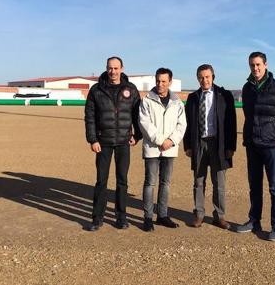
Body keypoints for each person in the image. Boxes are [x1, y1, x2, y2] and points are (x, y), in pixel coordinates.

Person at [236, 51, 275, 242]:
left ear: (266, 65)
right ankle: (254, 220)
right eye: (252, 65)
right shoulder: (247, 88)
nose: (255, 68)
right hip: (252, 145)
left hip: (272, 146)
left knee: (274, 187)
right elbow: (248, 115)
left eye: (258, 65)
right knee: (254, 186)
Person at [84, 56, 142, 231]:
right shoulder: (96, 90)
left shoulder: (131, 89)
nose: (113, 72)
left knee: (122, 181)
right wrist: (93, 139)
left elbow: (137, 114)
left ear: (122, 68)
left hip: (124, 141)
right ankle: (97, 217)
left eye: (116, 68)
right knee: (101, 181)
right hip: (104, 142)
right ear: (106, 68)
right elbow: (90, 117)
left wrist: (137, 135)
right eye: (110, 68)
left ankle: (121, 217)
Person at [183, 64, 237, 229]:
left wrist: (231, 146)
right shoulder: (193, 98)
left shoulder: (224, 95)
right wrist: (188, 145)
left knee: (219, 183)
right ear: (197, 78)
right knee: (199, 182)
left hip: (218, 144)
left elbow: (231, 122)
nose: (204, 80)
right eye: (201, 77)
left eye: (207, 76)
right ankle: (199, 214)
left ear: (213, 76)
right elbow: (187, 123)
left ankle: (219, 216)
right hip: (199, 143)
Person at [138, 68, 187, 231]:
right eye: (158, 80)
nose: (160, 84)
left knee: (165, 183)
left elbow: (182, 125)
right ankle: (148, 217)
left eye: (164, 81)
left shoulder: (177, 102)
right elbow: (144, 123)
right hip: (152, 148)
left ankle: (163, 215)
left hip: (170, 149)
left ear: (170, 82)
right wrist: (160, 140)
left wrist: (171, 141)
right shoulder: (146, 100)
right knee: (150, 183)